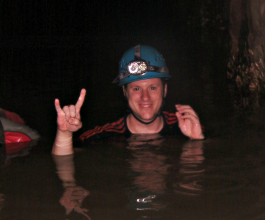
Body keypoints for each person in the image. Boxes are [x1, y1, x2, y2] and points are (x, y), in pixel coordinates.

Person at [52, 44, 204, 156]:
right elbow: (63, 164)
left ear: (164, 90)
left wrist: (197, 142)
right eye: (136, 89)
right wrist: (64, 134)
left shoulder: (184, 128)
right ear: (125, 92)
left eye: (152, 88)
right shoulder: (104, 136)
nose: (145, 97)